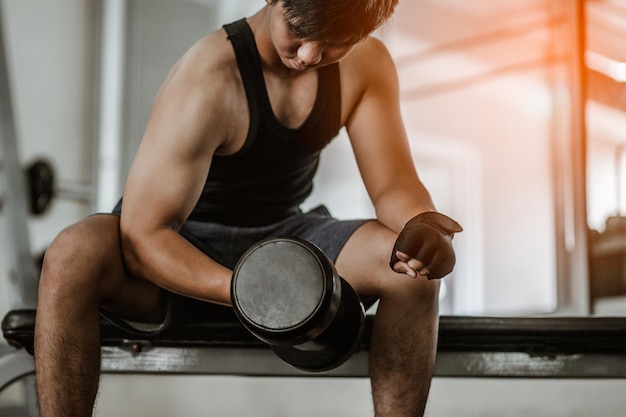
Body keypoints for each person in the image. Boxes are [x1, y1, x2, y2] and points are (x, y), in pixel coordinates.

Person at [34, 0, 462, 416]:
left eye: (333, 41)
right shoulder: (208, 77)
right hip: (179, 251)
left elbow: (391, 184)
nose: (310, 54)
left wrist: (421, 224)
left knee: (411, 275)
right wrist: (252, 292)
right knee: (73, 252)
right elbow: (144, 237)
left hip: (284, 239)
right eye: (298, 29)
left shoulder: (366, 65)